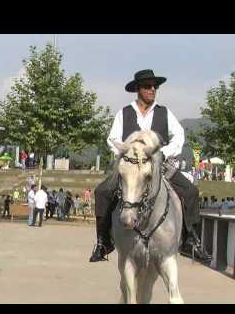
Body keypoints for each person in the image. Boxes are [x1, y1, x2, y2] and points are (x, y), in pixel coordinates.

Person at [89, 69, 211, 262]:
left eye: (155, 86)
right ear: (137, 88)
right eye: (147, 86)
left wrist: (164, 153)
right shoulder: (124, 113)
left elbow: (179, 135)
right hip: (130, 167)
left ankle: (190, 241)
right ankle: (103, 242)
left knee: (191, 192)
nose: (152, 89)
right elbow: (112, 139)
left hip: (159, 166)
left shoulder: (164, 112)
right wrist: (127, 154)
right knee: (102, 192)